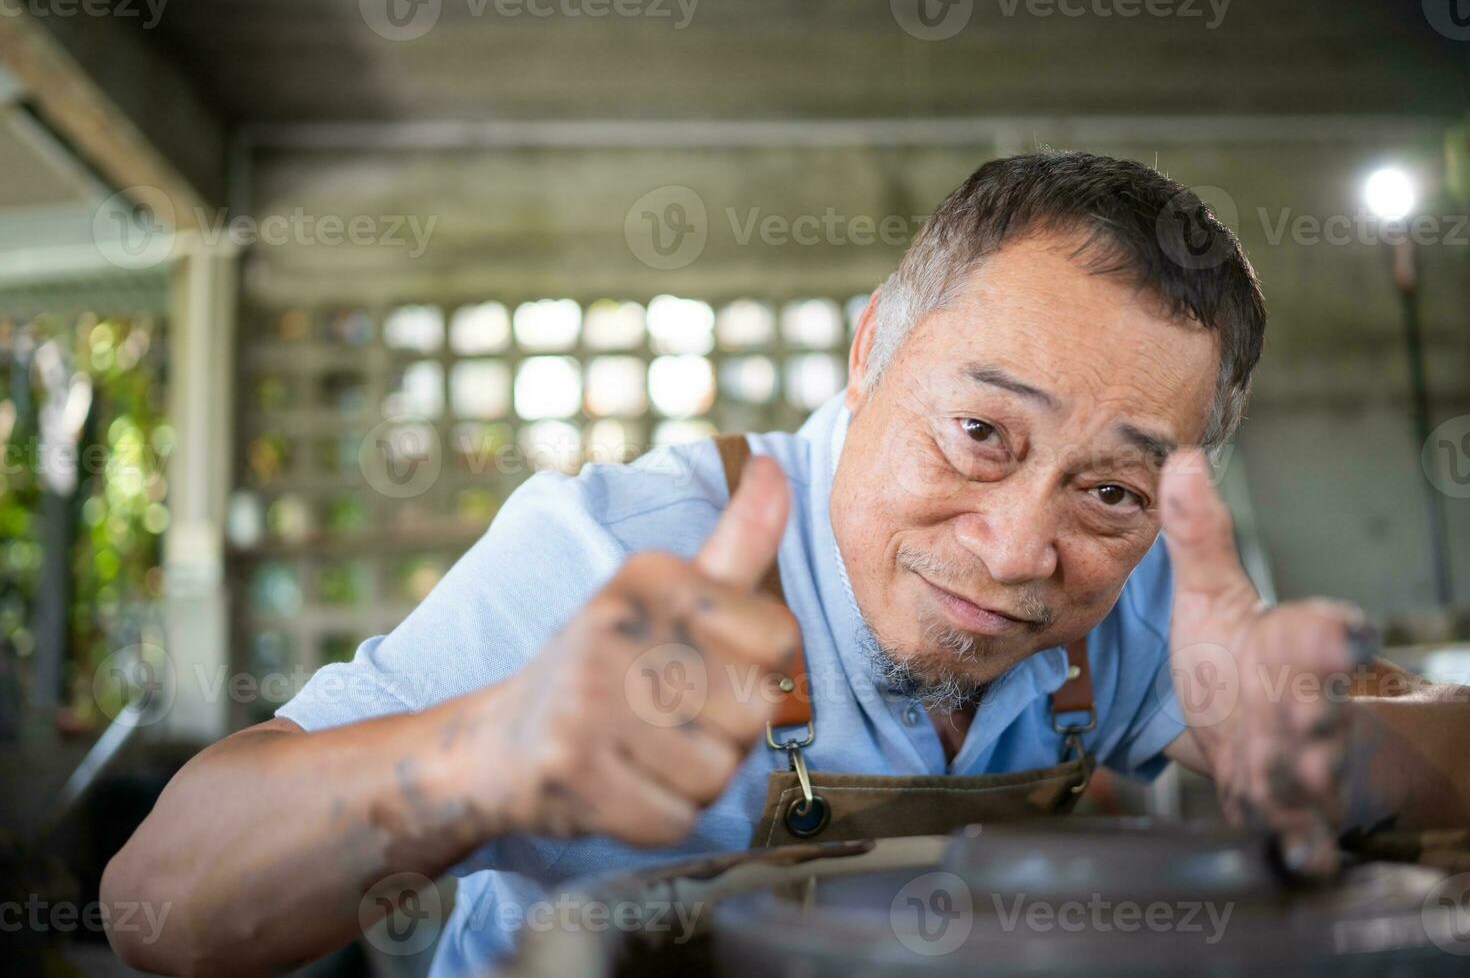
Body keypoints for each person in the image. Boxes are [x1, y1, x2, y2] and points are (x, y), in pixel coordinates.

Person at [103, 153, 1469, 977]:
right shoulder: (618, 550)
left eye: (1108, 485)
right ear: (871, 347)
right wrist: (479, 753)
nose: (1015, 552)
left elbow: (1433, 747)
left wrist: (1343, 756)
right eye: (980, 432)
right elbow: (161, 913)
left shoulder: (1149, 573)